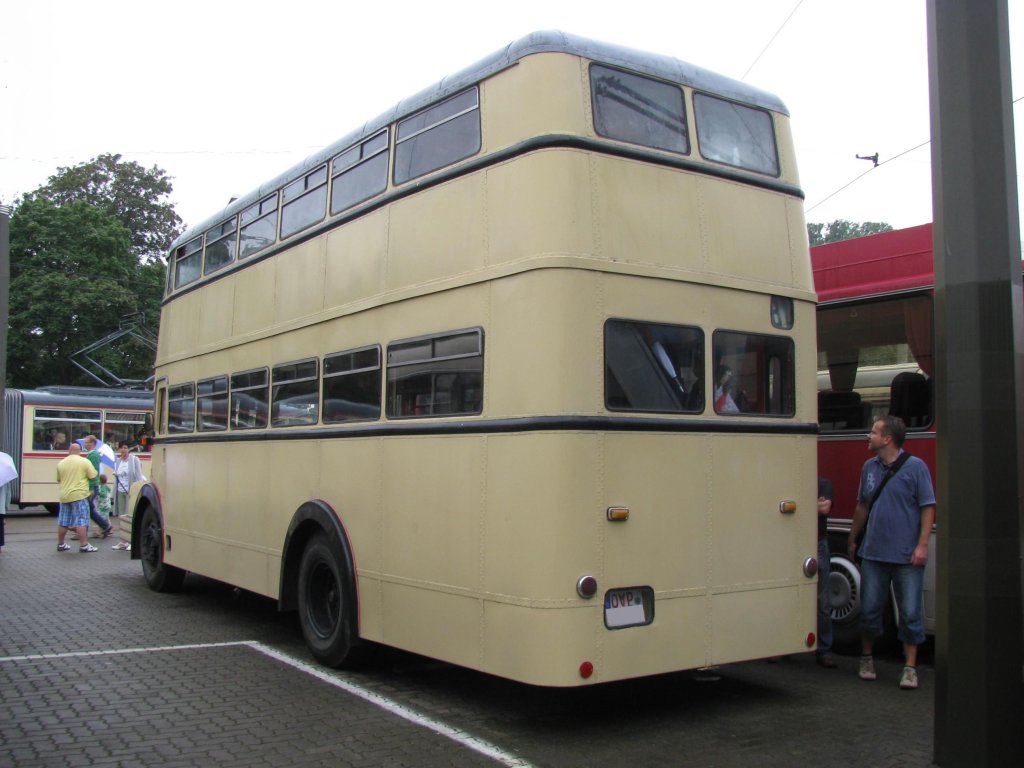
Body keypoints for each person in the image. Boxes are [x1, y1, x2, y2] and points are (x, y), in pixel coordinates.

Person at [847, 415, 936, 690]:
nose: (868, 436)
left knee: (909, 613)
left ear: (887, 439)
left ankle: (910, 667)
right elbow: (862, 506)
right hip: (874, 554)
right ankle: (867, 658)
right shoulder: (868, 468)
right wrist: (852, 539)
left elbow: (927, 508)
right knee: (871, 610)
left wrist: (922, 546)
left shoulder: (916, 468)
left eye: (873, 432)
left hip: (906, 556)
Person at [56, 443, 99, 553]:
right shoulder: (84, 461)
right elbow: (93, 475)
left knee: (63, 521)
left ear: (69, 451)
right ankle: (84, 545)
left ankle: (60, 544)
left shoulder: (61, 463)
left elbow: (59, 479)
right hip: (79, 495)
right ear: (79, 451)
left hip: (64, 496)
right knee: (81, 521)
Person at [816, 478, 836, 668]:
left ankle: (824, 649)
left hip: (818, 543)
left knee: (823, 601)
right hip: (799, 542)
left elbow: (824, 509)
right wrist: (813, 504)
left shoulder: (823, 483)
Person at [112, 441, 144, 551]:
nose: (123, 450)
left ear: (128, 449)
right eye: (121, 448)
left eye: (125, 448)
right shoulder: (118, 461)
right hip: (120, 491)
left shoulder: (134, 460)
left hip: (130, 492)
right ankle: (122, 541)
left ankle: (132, 541)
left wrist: (137, 491)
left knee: (131, 517)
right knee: (122, 516)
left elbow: (139, 477)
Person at [82, 435, 114, 539]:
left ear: (92, 443)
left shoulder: (93, 455)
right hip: (91, 486)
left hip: (91, 486)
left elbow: (93, 473)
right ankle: (104, 526)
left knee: (88, 510)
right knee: (89, 510)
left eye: (87, 442)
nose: (85, 444)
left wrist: (91, 488)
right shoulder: (92, 455)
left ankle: (103, 526)